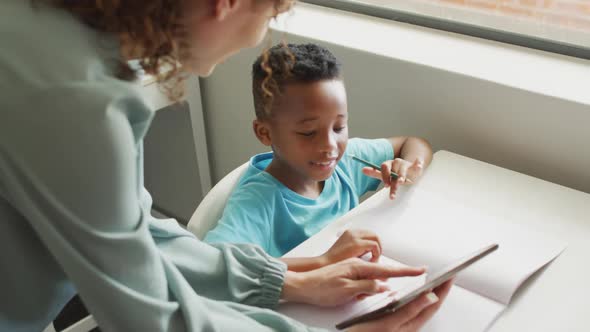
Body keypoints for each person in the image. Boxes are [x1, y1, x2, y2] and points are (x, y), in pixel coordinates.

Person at [0, 0, 451, 331]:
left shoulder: (56, 44)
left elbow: (142, 235)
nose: (259, 37)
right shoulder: (76, 102)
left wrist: (289, 281)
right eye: (270, 15)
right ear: (228, 4)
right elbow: (151, 316)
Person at [204, 43, 433, 263]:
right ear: (265, 133)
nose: (330, 146)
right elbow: (212, 265)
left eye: (338, 127)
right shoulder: (257, 202)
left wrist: (408, 165)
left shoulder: (347, 162)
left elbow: (412, 142)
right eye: (308, 132)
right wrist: (323, 261)